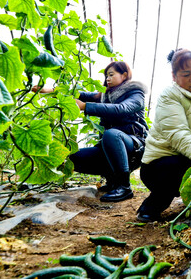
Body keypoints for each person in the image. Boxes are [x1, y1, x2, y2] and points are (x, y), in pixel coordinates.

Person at [35, 61, 148, 202]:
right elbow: (79, 94)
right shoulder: (104, 95)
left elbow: (121, 108)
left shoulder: (136, 93)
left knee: (111, 134)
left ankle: (124, 187)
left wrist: (86, 107)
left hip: (134, 147)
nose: (107, 78)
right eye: (106, 75)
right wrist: (50, 91)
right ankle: (112, 180)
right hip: (111, 147)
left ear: (124, 75)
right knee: (73, 157)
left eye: (111, 74)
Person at [136, 48, 191, 222]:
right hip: (160, 166)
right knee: (182, 166)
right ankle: (152, 205)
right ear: (174, 76)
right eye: (186, 74)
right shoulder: (169, 96)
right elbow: (180, 137)